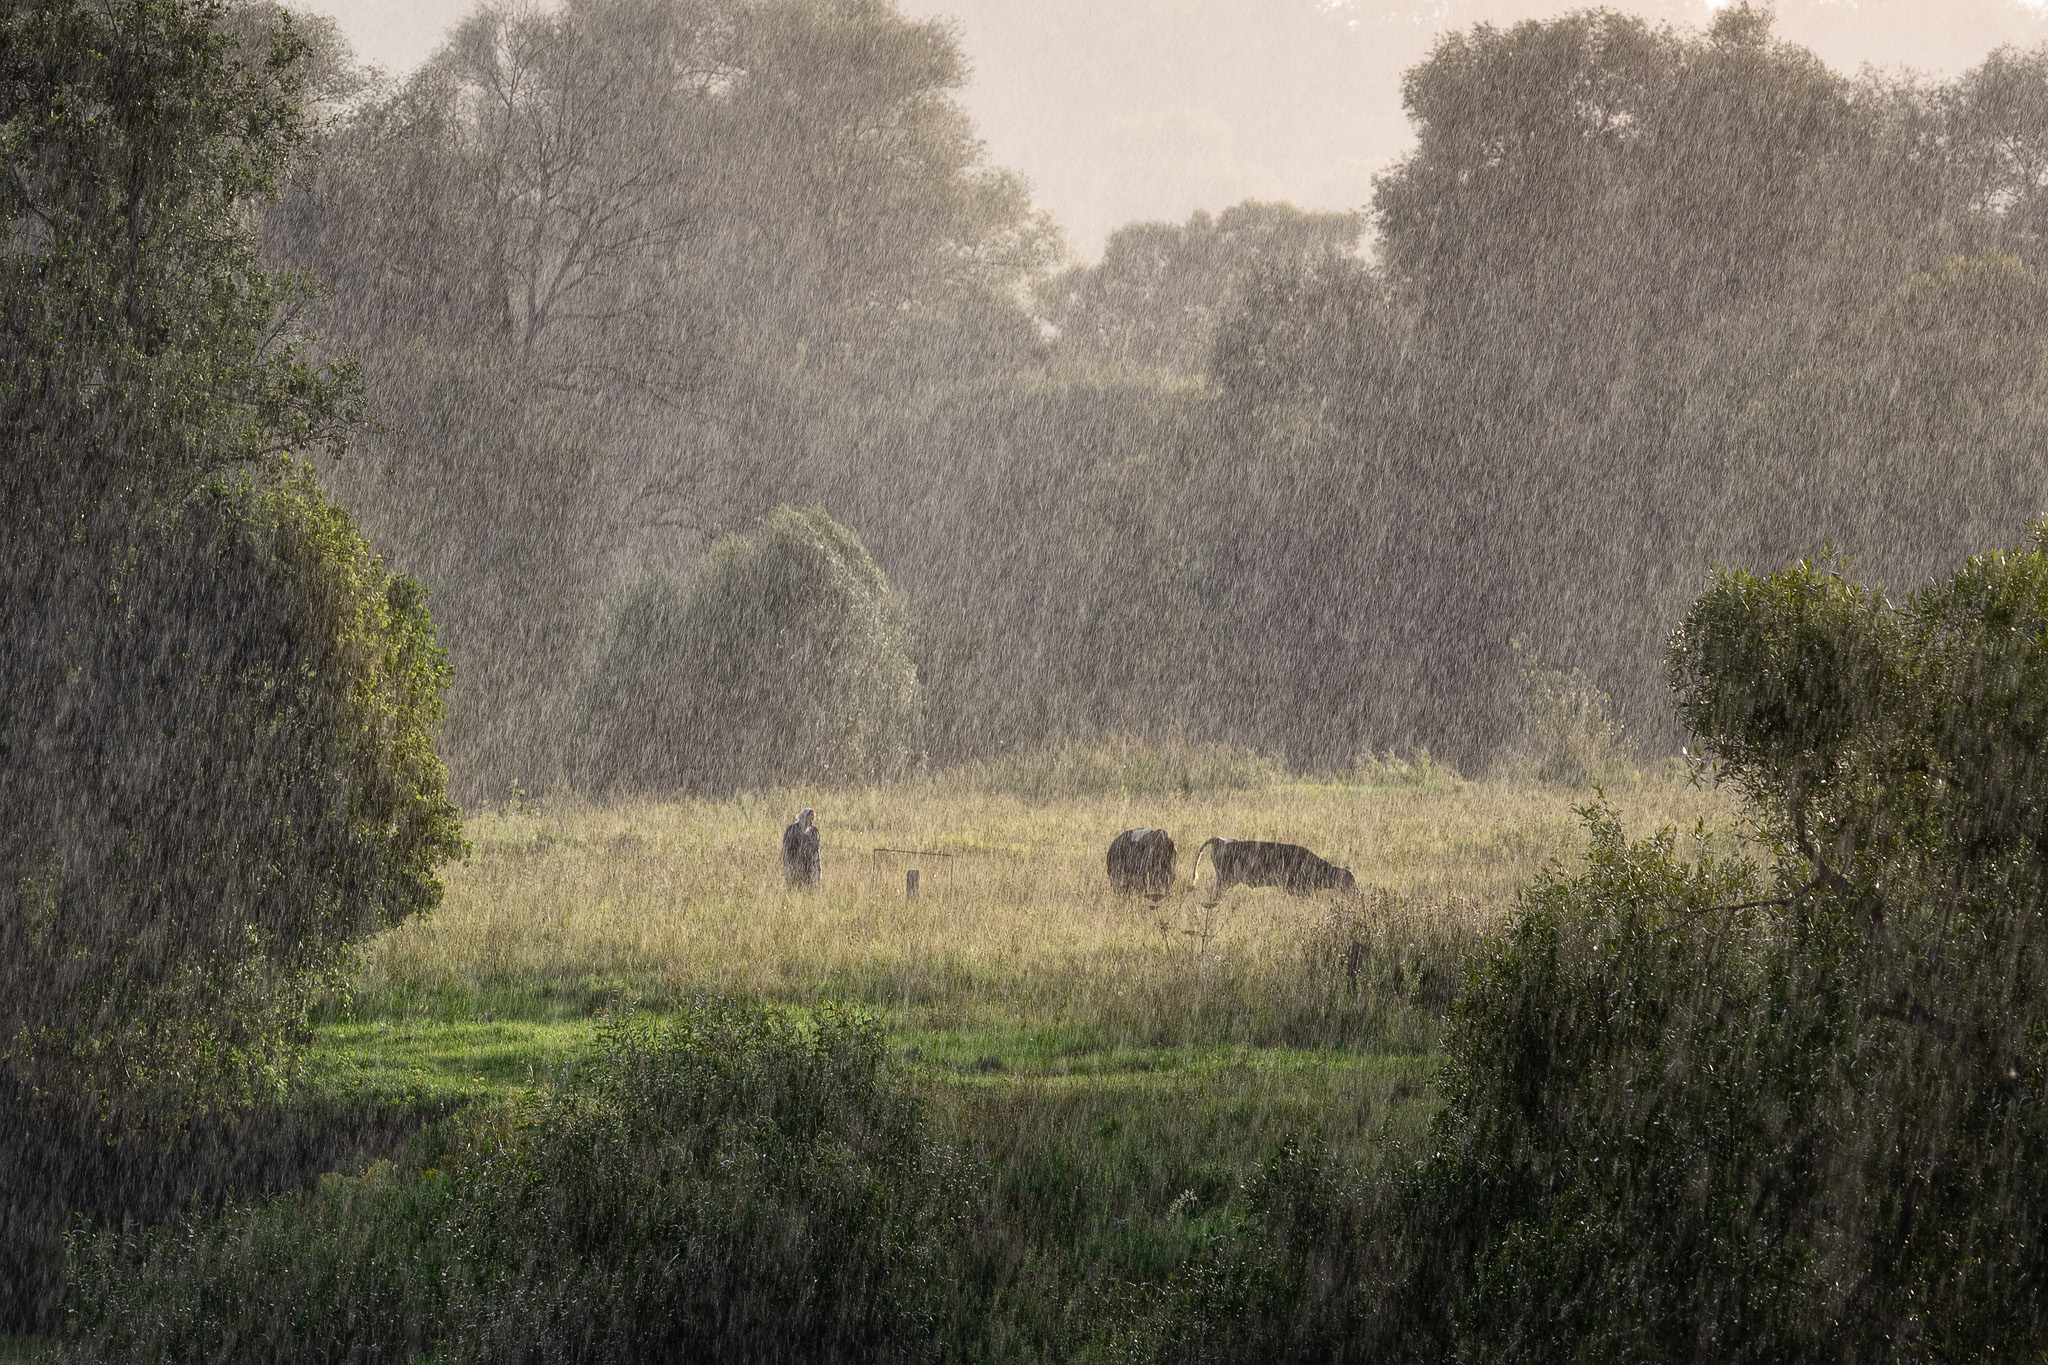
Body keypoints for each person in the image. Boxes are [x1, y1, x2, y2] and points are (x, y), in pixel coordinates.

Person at [782, 807, 822, 888]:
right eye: (810, 819)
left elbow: (817, 851)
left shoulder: (814, 832)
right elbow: (785, 848)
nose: (811, 822)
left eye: (813, 820)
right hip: (795, 865)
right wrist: (786, 865)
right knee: (794, 888)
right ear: (804, 817)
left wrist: (819, 867)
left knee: (811, 889)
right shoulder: (792, 830)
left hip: (811, 867)